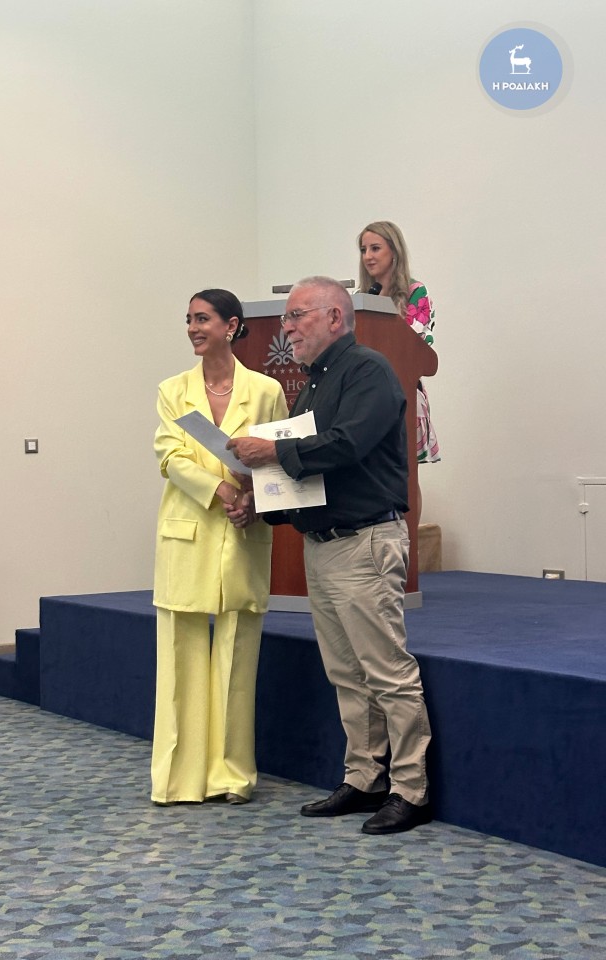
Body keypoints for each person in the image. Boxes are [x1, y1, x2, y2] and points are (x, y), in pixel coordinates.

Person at [226, 276, 432, 835]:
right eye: (287, 317)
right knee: (347, 673)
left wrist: (271, 450)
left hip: (365, 542)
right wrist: (263, 504)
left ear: (335, 317)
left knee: (387, 672)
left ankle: (411, 789)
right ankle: (364, 778)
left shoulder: (368, 370)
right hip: (325, 544)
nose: (287, 327)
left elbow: (345, 446)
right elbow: (310, 475)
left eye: (298, 316)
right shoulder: (315, 382)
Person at [151, 288, 288, 806]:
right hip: (187, 531)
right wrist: (222, 491)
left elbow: (279, 459)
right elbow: (170, 457)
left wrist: (253, 501)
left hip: (244, 533)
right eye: (188, 319)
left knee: (237, 660)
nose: (192, 327)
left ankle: (231, 776)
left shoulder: (267, 390)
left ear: (231, 326)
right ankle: (179, 778)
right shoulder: (172, 390)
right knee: (180, 658)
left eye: (202, 318)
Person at [357, 220, 440, 522]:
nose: (368, 256)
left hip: (402, 391)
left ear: (394, 251)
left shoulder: (416, 292)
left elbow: (419, 343)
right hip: (365, 396)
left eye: (375, 248)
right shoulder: (361, 297)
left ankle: (410, 546)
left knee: (406, 474)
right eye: (364, 249)